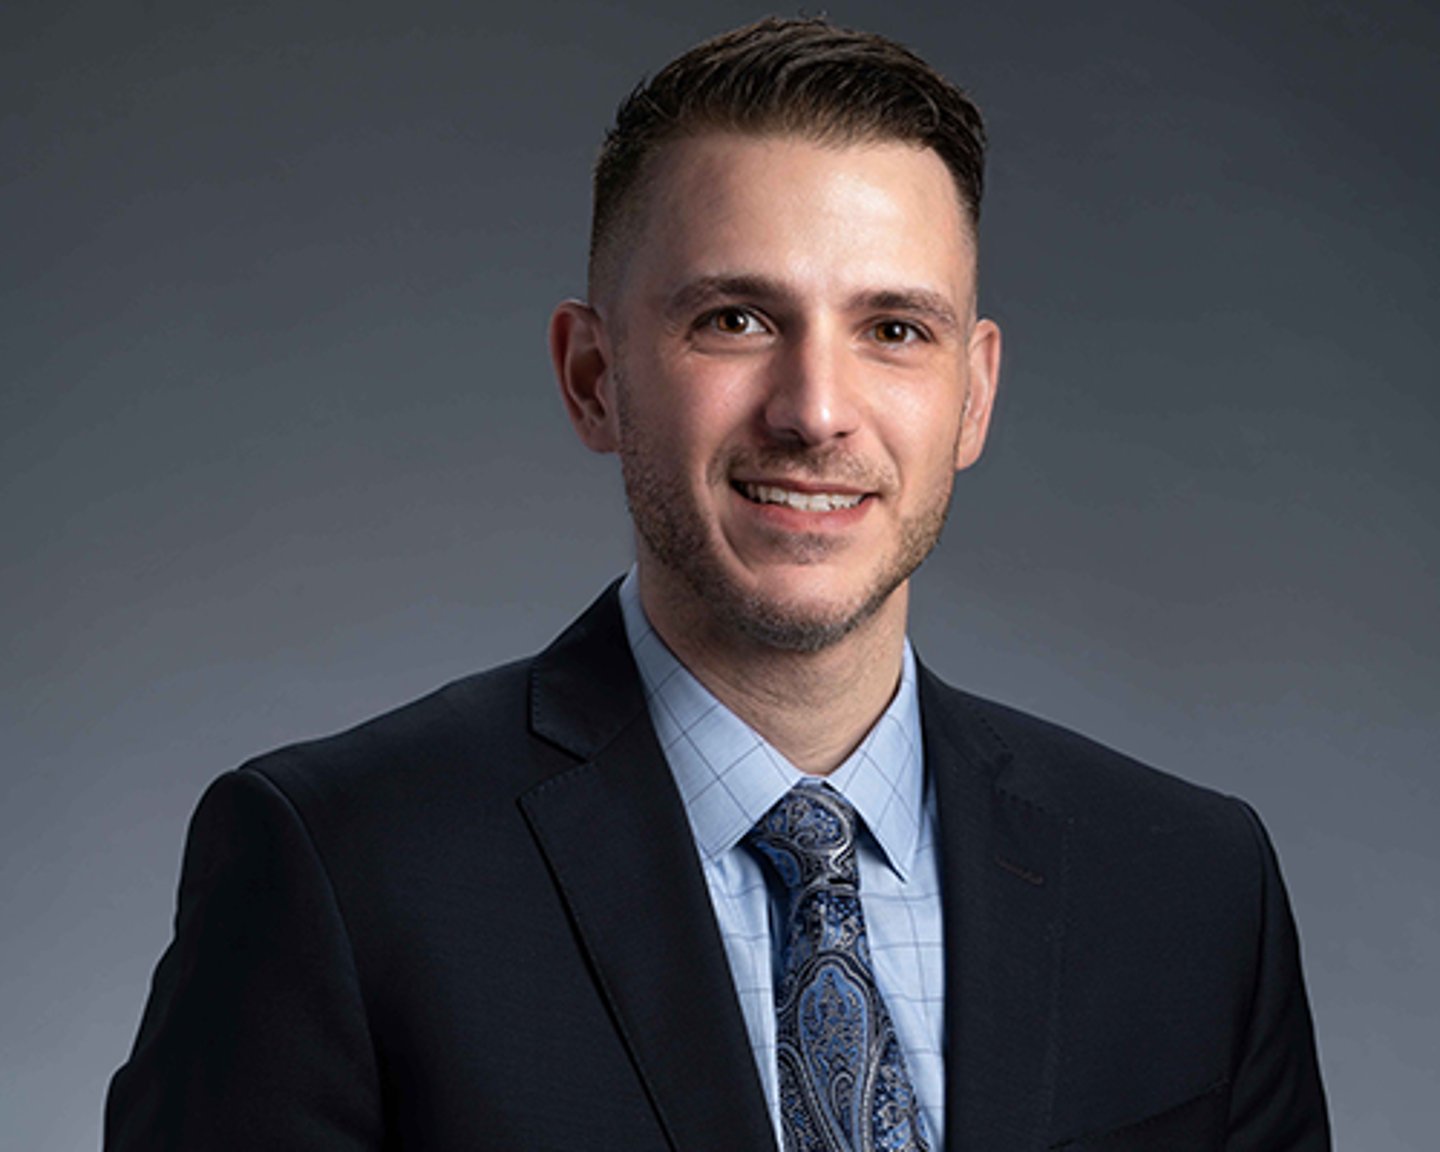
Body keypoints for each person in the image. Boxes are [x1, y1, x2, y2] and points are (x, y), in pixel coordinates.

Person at [105, 17, 1330, 1152]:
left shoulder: (1192, 890)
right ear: (592, 377)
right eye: (738, 320)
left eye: (894, 328)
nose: (815, 411)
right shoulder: (340, 869)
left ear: (975, 393)